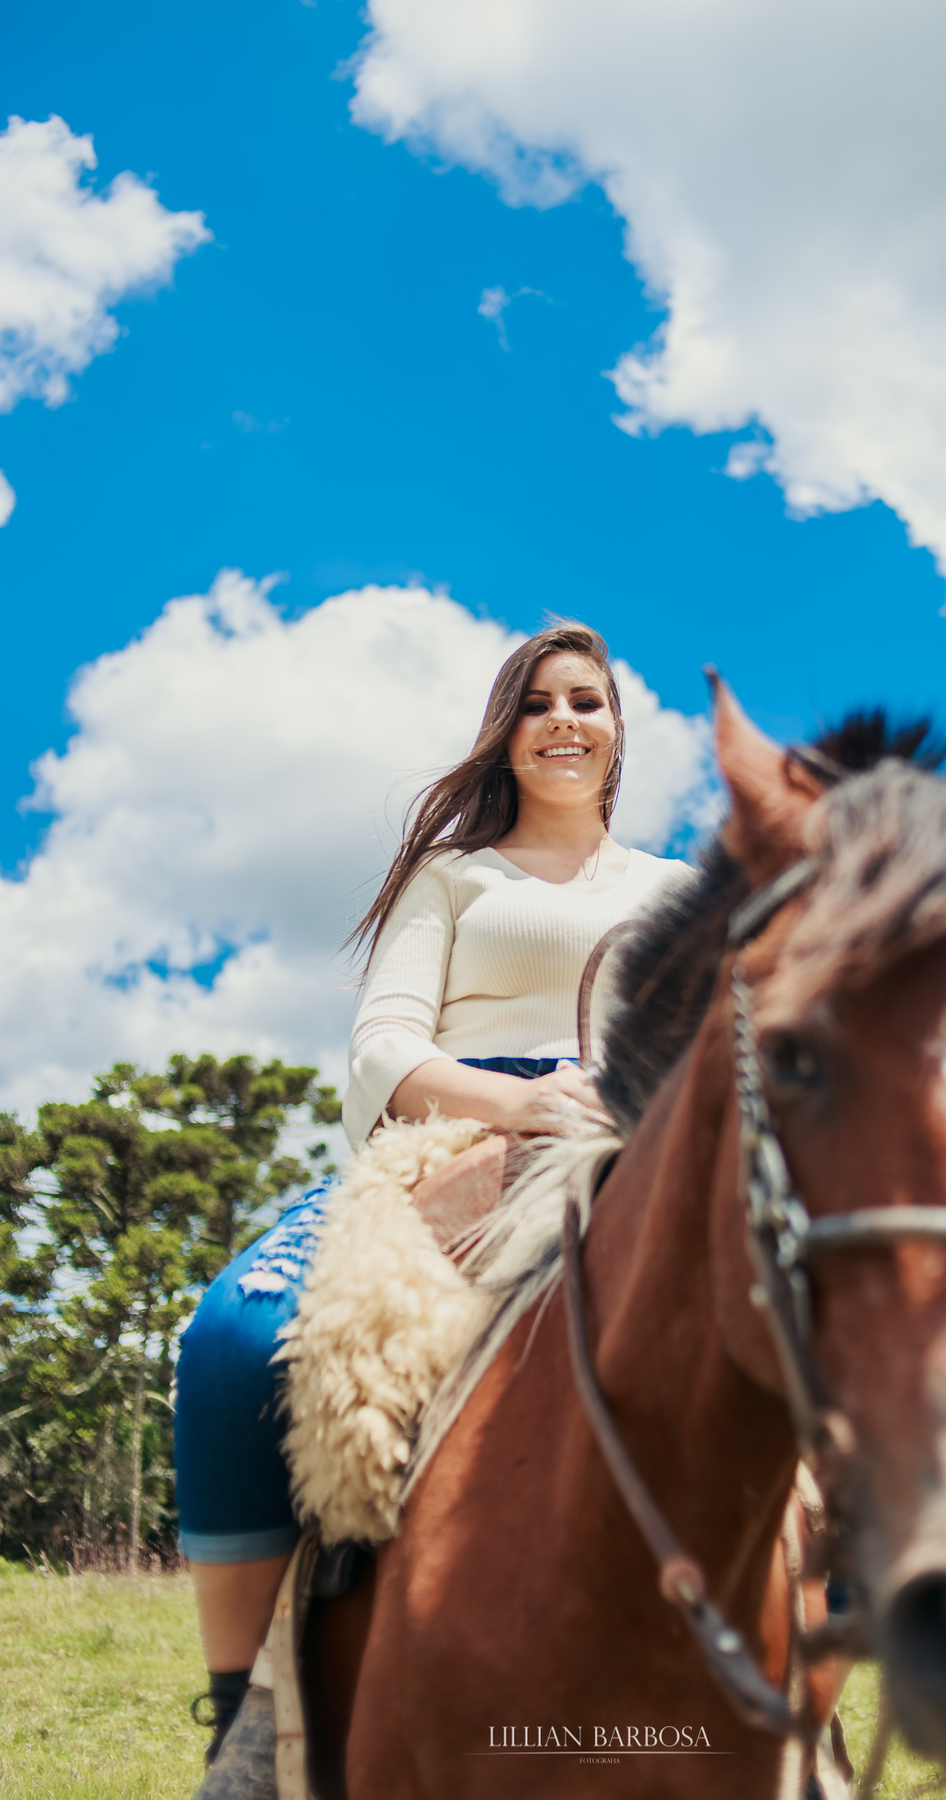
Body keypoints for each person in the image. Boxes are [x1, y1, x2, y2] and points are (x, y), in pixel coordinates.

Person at [173, 622, 693, 1771]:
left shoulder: (684, 891)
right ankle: (242, 1732)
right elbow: (380, 1052)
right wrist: (520, 1106)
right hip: (452, 1134)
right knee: (234, 1333)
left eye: (588, 702)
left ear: (618, 734)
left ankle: (821, 1659)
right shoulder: (453, 877)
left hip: (643, 1144)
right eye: (539, 703)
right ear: (506, 735)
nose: (565, 720)